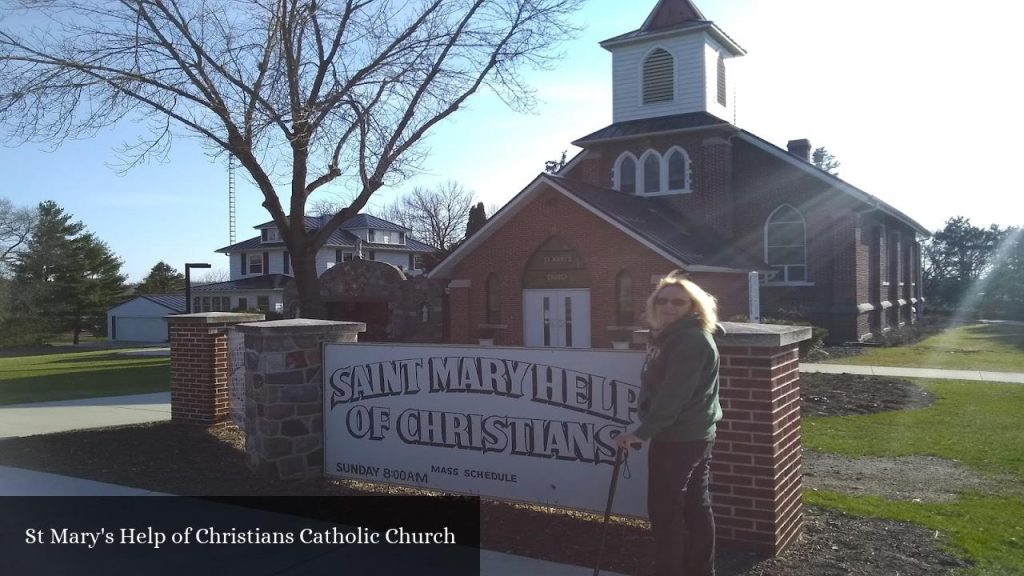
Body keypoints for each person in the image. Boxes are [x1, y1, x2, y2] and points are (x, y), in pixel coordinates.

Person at [615, 272, 723, 576]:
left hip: (678, 438)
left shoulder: (689, 340)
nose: (668, 306)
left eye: (678, 302)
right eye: (662, 300)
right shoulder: (671, 335)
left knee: (665, 511)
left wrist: (641, 433)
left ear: (693, 306)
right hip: (693, 434)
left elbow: (674, 395)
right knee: (695, 505)